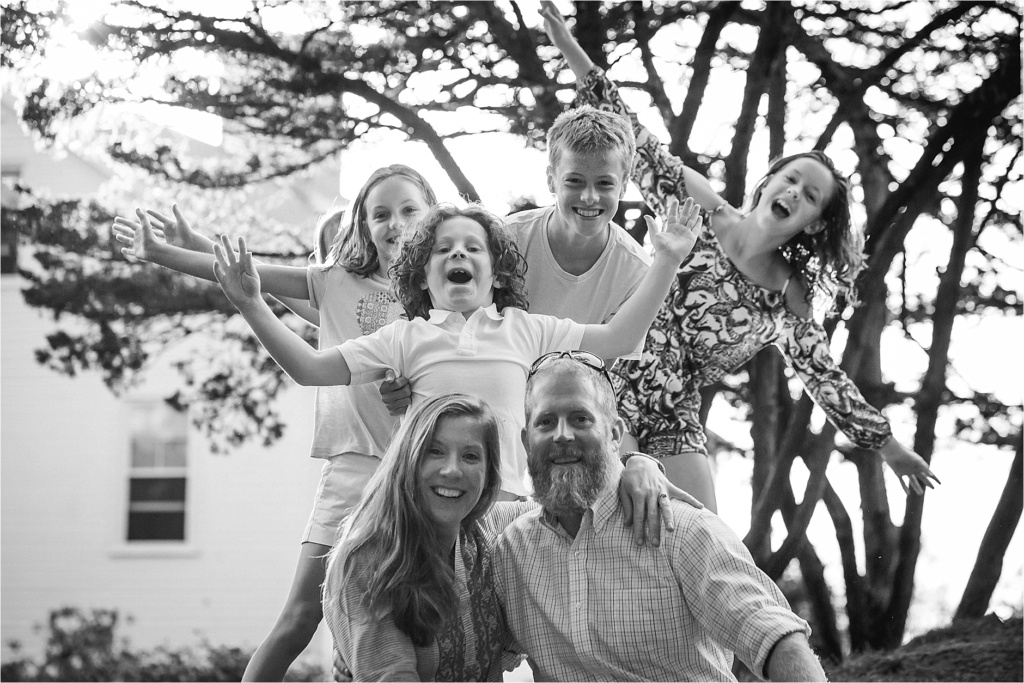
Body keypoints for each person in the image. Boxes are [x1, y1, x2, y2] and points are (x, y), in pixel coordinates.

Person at [540, 1, 939, 511]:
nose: (795, 192)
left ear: (813, 221)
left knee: (707, 537)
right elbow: (633, 138)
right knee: (619, 517)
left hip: (673, 415)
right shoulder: (701, 210)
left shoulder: (786, 298)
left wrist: (890, 448)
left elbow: (825, 378)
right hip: (605, 379)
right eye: (791, 179)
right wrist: (570, 48)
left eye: (810, 196)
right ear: (769, 182)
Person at [113, 164, 438, 681]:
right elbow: (248, 276)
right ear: (363, 224)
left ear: (433, 216)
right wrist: (168, 251)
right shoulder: (334, 285)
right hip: (354, 465)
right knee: (301, 615)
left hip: (426, 473)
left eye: (408, 210)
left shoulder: (442, 292)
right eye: (381, 214)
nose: (395, 223)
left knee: (427, 622)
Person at [209, 200, 701, 497]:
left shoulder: (525, 330)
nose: (458, 254)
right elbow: (312, 369)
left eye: (473, 247)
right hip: (423, 510)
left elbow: (619, 339)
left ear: (498, 271)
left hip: (503, 508)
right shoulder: (405, 337)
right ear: (422, 275)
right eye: (443, 250)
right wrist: (252, 304)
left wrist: (667, 262)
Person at [493, 352, 829, 681]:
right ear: (526, 441)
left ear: (614, 434)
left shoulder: (682, 530)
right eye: (545, 422)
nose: (562, 434)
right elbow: (481, 656)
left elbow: (775, 637)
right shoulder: (512, 549)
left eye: (580, 418)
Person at [323, 392, 695, 682]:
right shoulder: (368, 559)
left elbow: (576, 500)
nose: (452, 470)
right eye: (434, 452)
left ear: (489, 472)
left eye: (470, 456)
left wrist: (639, 464)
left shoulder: (494, 530)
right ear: (408, 460)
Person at [380, 104, 653, 418]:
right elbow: (442, 308)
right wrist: (398, 372)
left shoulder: (636, 271)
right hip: (476, 395)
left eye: (604, 183)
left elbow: (601, 362)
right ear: (551, 180)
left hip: (558, 405)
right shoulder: (505, 239)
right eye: (574, 181)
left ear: (625, 181)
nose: (589, 197)